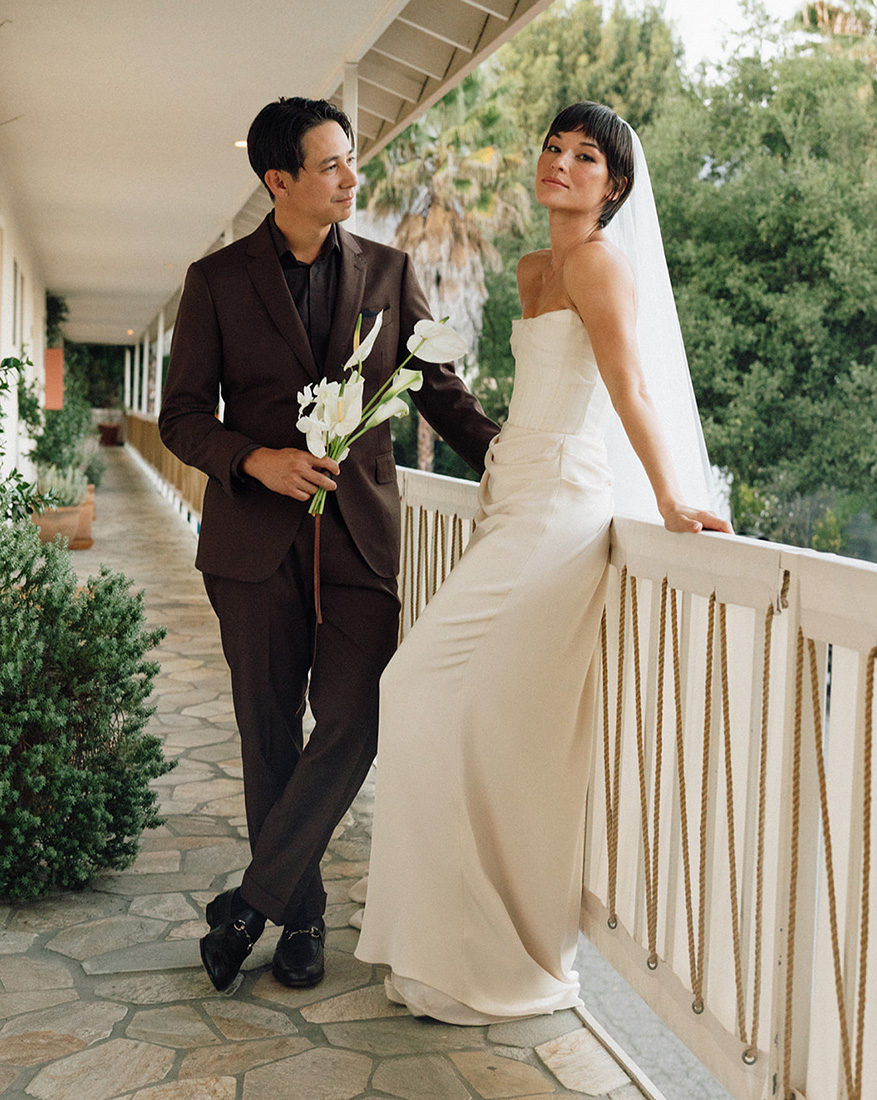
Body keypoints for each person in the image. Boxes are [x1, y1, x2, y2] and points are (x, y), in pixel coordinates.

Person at [354, 101, 733, 1024]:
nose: (561, 163)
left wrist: (674, 495)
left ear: (615, 186)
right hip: (510, 490)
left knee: (413, 688)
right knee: (473, 719)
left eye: (586, 157)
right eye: (554, 149)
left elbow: (630, 389)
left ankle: (494, 951)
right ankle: (446, 950)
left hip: (562, 506)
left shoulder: (601, 265)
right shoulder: (532, 268)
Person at [159, 97, 498, 994]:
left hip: (359, 543)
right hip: (251, 548)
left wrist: (517, 460)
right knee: (270, 735)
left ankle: (248, 906)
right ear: (280, 181)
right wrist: (254, 459)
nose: (353, 177)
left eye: (351, 161)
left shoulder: (388, 270)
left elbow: (438, 392)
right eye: (333, 165)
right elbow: (183, 418)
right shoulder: (217, 281)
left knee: (356, 715)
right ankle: (300, 919)